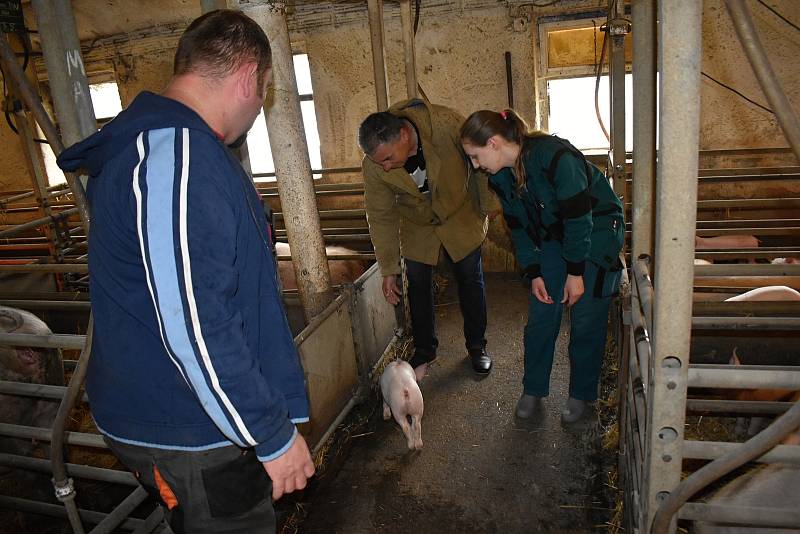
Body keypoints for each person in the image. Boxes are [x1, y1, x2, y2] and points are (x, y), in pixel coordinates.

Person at [57, 10, 314, 532]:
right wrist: (272, 434)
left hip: (191, 414)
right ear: (248, 77)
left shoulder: (177, 152)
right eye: (263, 92)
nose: (258, 108)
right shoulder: (177, 160)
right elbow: (196, 325)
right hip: (196, 430)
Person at [459, 110, 624, 424]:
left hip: (596, 231)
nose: (475, 165)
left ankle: (582, 394)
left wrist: (575, 273)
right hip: (556, 236)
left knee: (586, 317)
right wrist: (534, 270)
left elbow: (579, 219)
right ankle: (533, 388)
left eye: (475, 156)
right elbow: (519, 227)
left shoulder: (556, 156)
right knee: (541, 316)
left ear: (493, 143)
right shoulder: (500, 177)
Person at [358, 100, 495, 381]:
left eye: (387, 159)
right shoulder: (375, 166)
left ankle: (477, 346)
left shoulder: (447, 125)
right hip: (418, 222)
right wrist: (389, 268)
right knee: (418, 283)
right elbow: (380, 214)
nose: (384, 168)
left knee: (470, 278)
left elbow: (480, 163)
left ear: (404, 136)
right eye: (378, 162)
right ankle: (424, 349)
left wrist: (487, 204)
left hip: (459, 212)